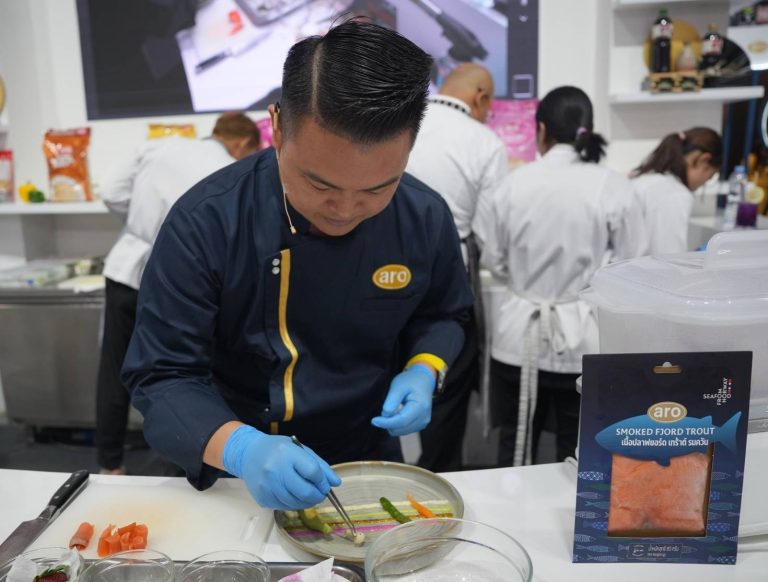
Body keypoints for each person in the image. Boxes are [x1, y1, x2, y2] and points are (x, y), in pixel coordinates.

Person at [121, 21, 473, 510]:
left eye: (377, 189)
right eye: (320, 185)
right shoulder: (207, 220)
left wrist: (424, 368)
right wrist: (242, 449)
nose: (345, 210)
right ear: (277, 127)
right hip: (232, 471)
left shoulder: (424, 215)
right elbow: (162, 375)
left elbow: (445, 313)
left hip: (362, 461)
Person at [480, 86, 646, 467]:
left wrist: (528, 282)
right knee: (577, 451)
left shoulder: (511, 185)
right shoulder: (615, 187)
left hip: (518, 336)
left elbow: (493, 259)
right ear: (587, 129)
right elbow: (630, 265)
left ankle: (510, 503)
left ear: (541, 130)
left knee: (515, 445)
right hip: (582, 340)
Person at [96, 112, 261, 475]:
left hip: (126, 267)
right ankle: (183, 462)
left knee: (114, 369)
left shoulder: (161, 146)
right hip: (179, 276)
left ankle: (110, 465)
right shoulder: (227, 175)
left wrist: (138, 224)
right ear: (243, 144)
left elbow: (111, 192)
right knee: (181, 374)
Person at [405, 63, 508, 472]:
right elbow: (490, 233)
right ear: (481, 98)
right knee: (445, 378)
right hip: (446, 269)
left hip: (378, 265)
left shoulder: (402, 122)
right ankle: (439, 475)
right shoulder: (484, 142)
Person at [631, 128, 722, 254]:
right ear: (704, 160)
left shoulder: (644, 179)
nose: (704, 183)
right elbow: (668, 257)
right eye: (710, 176)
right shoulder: (674, 194)